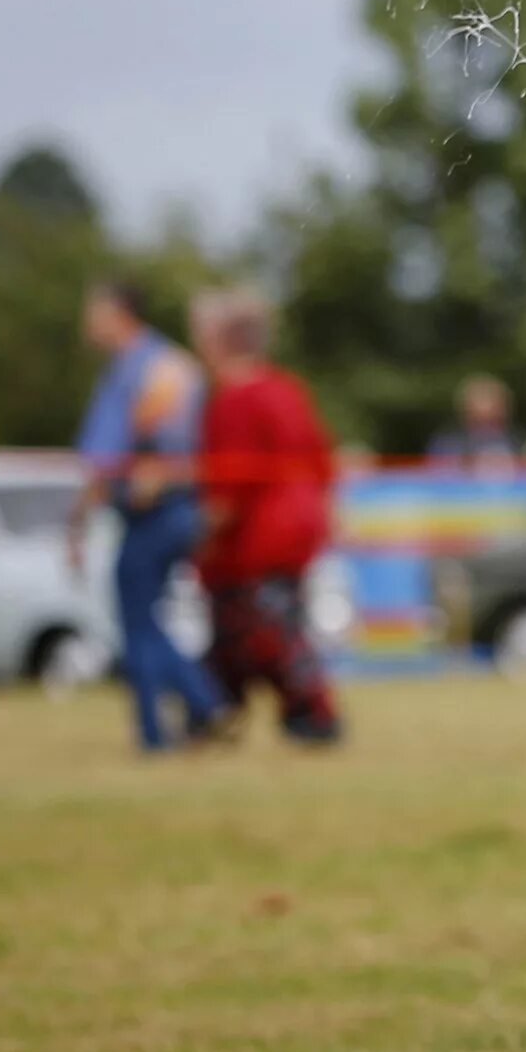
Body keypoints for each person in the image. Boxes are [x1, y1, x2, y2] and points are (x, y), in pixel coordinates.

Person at [69, 277, 232, 751]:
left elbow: (109, 457)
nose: (86, 322)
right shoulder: (172, 363)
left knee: (137, 622)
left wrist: (77, 521)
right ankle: (190, 709)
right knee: (145, 617)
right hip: (177, 509)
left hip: (153, 512)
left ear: (117, 312)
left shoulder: (137, 370)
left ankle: (173, 720)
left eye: (92, 310)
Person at [189, 290, 343, 743]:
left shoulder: (236, 399)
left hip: (257, 539)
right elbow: (322, 460)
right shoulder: (287, 390)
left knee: (265, 632)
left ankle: (310, 713)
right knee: (251, 632)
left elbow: (229, 486)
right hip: (298, 529)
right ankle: (218, 707)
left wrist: (203, 533)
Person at [427, 375, 519, 471]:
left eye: (492, 422)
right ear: (466, 412)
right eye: (479, 422)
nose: (486, 429)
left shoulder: (517, 442)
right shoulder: (447, 444)